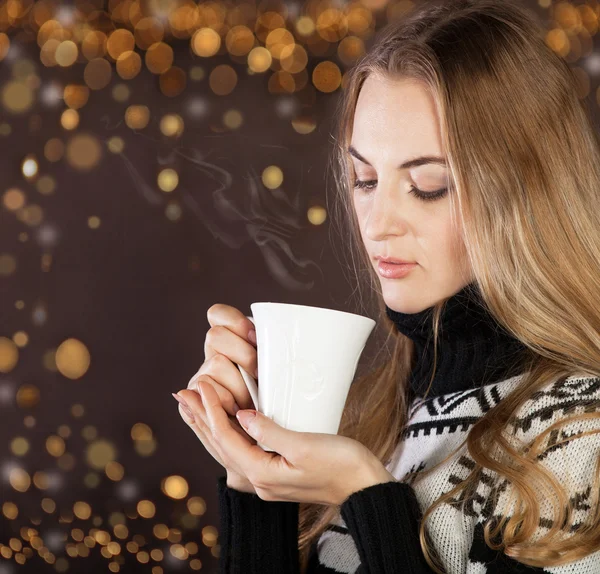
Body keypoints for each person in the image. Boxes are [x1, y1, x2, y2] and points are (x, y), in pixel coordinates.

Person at [172, 0, 600, 571]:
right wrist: (255, 480)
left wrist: (368, 495)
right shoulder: (373, 414)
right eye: (364, 179)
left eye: (426, 185)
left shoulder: (581, 440)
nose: (376, 224)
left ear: (526, 192)